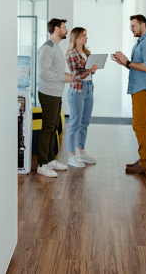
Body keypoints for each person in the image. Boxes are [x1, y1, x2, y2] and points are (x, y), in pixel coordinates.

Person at [111, 14, 146, 174]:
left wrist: (127, 62)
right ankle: (145, 161)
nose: (131, 29)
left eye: (133, 26)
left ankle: (145, 163)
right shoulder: (141, 43)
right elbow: (137, 66)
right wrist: (125, 63)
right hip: (138, 88)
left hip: (143, 89)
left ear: (143, 25)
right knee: (144, 124)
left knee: (138, 124)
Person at [36, 18, 74, 178]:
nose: (66, 30)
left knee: (53, 128)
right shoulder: (47, 47)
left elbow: (52, 70)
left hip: (55, 93)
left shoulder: (56, 47)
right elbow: (43, 72)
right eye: (64, 27)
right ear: (57, 29)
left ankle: (50, 159)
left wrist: (64, 75)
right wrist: (62, 77)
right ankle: (42, 164)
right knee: (47, 128)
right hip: (48, 93)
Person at [65, 27, 98, 167]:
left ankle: (81, 151)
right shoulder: (72, 55)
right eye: (83, 36)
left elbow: (86, 73)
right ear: (76, 38)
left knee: (85, 123)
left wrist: (92, 76)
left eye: (86, 35)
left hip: (88, 89)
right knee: (74, 123)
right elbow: (76, 75)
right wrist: (90, 70)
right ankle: (72, 155)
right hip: (77, 91)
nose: (86, 38)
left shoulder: (86, 53)